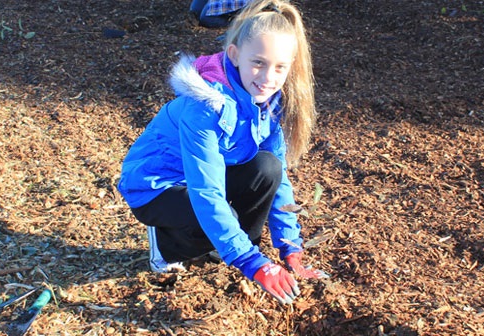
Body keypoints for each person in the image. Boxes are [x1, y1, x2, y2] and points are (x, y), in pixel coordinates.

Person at [117, 0, 328, 305]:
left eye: (280, 67)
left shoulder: (267, 101)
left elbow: (277, 178)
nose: (268, 77)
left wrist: (290, 249)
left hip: (203, 177)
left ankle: (226, 247)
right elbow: (207, 191)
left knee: (267, 168)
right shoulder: (205, 106)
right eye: (258, 62)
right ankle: (166, 245)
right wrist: (253, 263)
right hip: (156, 186)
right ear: (235, 55)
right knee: (218, 215)